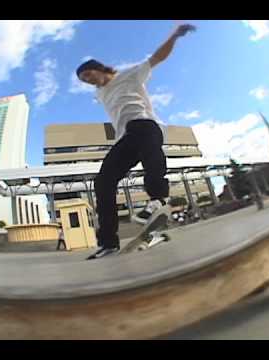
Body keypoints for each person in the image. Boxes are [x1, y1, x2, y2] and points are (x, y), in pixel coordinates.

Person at [76, 24, 196, 260]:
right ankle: (109, 243)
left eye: (88, 75)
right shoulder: (100, 93)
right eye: (83, 80)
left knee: (146, 145)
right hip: (126, 139)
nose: (88, 81)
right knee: (103, 182)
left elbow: (156, 58)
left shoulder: (130, 74)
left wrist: (174, 36)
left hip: (146, 126)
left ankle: (158, 198)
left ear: (98, 68)